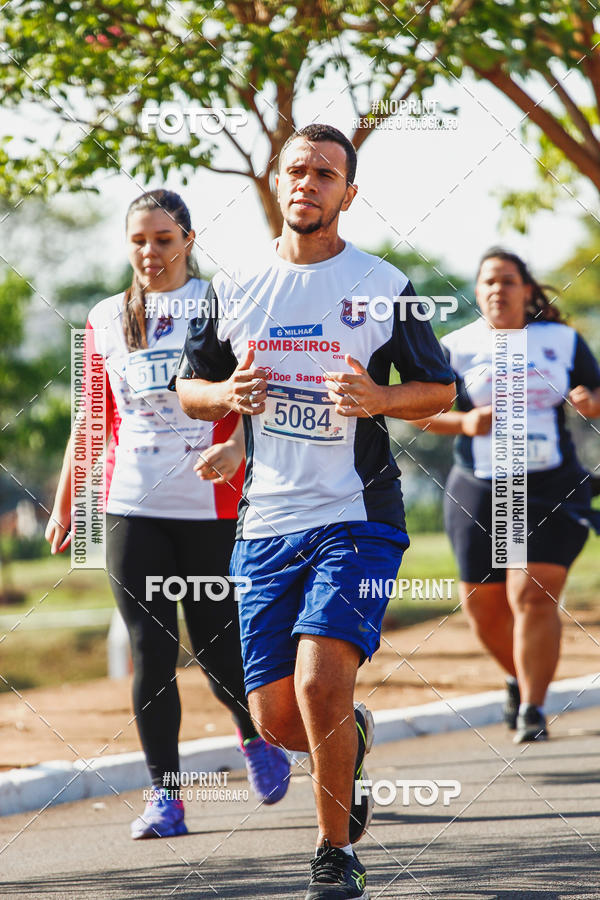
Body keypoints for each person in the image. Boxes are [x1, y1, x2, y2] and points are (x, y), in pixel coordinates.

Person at [173, 125, 455, 899]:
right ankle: (352, 744)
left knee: (322, 683)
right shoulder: (234, 286)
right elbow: (189, 387)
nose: (307, 182)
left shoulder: (381, 283)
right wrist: (227, 398)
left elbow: (439, 391)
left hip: (357, 516)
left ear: (348, 194)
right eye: (296, 169)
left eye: (325, 173)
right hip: (265, 523)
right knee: (276, 720)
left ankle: (335, 854)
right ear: (278, 179)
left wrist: (380, 397)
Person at [45, 189, 290, 840]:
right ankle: (166, 798)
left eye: (162, 238)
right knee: (151, 653)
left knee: (216, 648)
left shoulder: (221, 300)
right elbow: (91, 416)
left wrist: (240, 451)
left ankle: (255, 736)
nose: (150, 251)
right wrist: (70, 499)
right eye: (138, 241)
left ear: (186, 239)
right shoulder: (101, 317)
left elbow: (253, 394)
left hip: (210, 504)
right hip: (131, 503)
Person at [413, 248, 600, 743]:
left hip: (548, 485)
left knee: (531, 593)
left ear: (527, 291)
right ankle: (519, 676)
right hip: (479, 484)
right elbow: (416, 411)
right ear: (477, 293)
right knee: (482, 606)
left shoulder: (560, 340)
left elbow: (598, 391)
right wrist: (464, 421)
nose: (498, 289)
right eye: (489, 282)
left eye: (509, 281)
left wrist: (591, 401)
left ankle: (534, 711)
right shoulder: (456, 347)